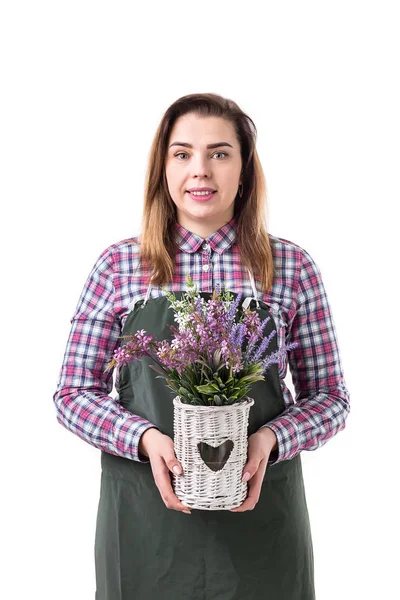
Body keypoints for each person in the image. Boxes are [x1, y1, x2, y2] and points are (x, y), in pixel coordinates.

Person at [53, 92, 350, 600]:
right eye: (183, 153)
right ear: (163, 167)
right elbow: (73, 394)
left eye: (219, 153)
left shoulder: (291, 269)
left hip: (261, 522)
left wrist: (269, 441)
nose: (201, 171)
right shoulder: (120, 267)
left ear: (244, 168)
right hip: (145, 523)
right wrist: (144, 439)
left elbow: (331, 398)